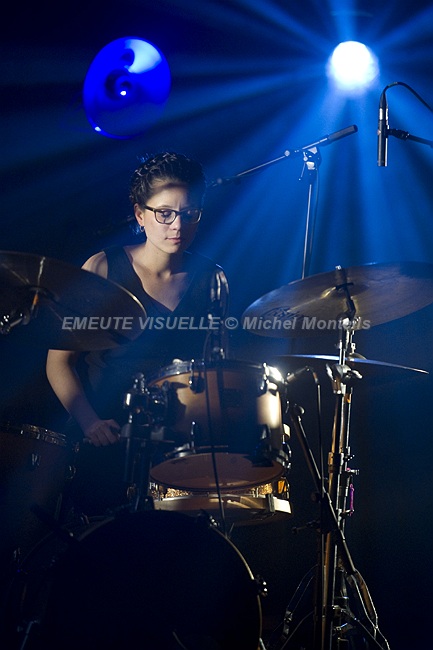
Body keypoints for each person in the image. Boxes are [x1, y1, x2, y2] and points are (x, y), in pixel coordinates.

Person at [46, 151, 228, 514]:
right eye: (165, 213)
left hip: (176, 448)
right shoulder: (103, 267)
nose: (177, 225)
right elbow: (59, 363)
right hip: (104, 435)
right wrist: (90, 423)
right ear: (140, 214)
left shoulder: (213, 279)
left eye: (189, 213)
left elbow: (215, 370)